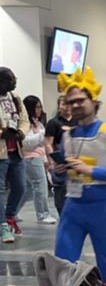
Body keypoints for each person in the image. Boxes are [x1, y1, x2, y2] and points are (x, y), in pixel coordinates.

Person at [54, 66, 106, 286]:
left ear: (94, 101)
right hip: (73, 206)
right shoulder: (66, 136)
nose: (76, 105)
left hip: (104, 205)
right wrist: (60, 173)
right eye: (71, 102)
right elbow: (66, 174)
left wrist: (91, 170)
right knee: (62, 262)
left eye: (81, 100)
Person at [0, 67, 28, 244]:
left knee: (21, 187)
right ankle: (2, 225)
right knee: (0, 190)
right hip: (1, 153)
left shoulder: (16, 99)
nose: (14, 82)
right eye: (10, 79)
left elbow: (24, 120)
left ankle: (9, 215)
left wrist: (20, 132)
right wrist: (2, 133)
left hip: (16, 151)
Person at [20, 95, 56, 225]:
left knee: (27, 189)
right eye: (37, 107)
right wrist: (42, 134)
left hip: (38, 157)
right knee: (40, 185)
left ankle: (11, 212)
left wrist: (45, 159)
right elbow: (26, 142)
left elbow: (43, 144)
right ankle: (43, 214)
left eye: (40, 107)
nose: (40, 109)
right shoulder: (25, 124)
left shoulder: (38, 123)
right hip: (30, 157)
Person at [45, 95, 74, 216]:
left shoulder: (78, 121)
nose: (67, 107)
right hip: (60, 161)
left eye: (69, 104)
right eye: (63, 104)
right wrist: (52, 162)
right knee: (61, 195)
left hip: (76, 161)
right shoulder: (53, 123)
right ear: (59, 106)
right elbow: (48, 143)